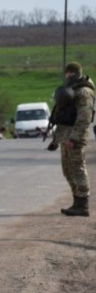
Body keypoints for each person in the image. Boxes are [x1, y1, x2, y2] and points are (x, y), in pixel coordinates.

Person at [47, 62, 95, 216]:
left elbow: (84, 117)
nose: (67, 76)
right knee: (68, 171)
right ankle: (76, 202)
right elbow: (63, 118)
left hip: (75, 137)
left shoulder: (84, 92)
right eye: (66, 73)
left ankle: (83, 205)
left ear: (77, 73)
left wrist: (74, 138)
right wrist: (56, 139)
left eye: (70, 73)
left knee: (77, 169)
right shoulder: (71, 90)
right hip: (66, 136)